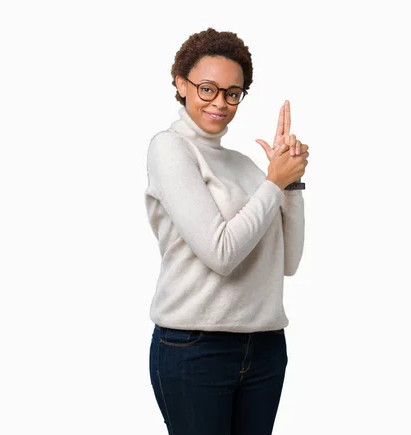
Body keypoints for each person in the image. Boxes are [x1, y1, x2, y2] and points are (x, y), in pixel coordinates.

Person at [144, 27, 310, 435]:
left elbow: (288, 263)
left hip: (266, 344)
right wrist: (274, 182)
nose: (220, 102)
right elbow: (221, 253)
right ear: (181, 85)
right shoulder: (170, 148)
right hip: (195, 347)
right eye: (207, 89)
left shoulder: (245, 165)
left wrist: (290, 186)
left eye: (233, 93)